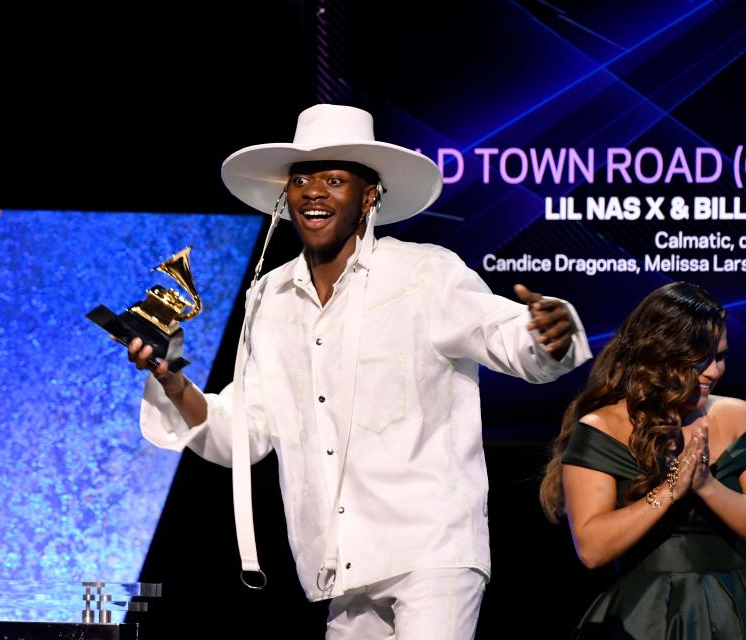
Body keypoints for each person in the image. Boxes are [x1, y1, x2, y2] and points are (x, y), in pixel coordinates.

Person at [128, 104, 592, 639]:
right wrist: (174, 382)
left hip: (431, 551)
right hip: (339, 564)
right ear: (286, 197)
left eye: (333, 179)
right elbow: (246, 431)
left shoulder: (423, 273)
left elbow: (504, 334)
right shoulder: (270, 297)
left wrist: (545, 333)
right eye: (300, 180)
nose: (313, 192)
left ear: (369, 195)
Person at [540, 282, 746, 639]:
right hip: (643, 618)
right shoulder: (603, 427)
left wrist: (707, 486)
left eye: (721, 356)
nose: (713, 372)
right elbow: (592, 547)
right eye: (700, 359)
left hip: (735, 612)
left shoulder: (737, 417)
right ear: (661, 355)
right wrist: (669, 491)